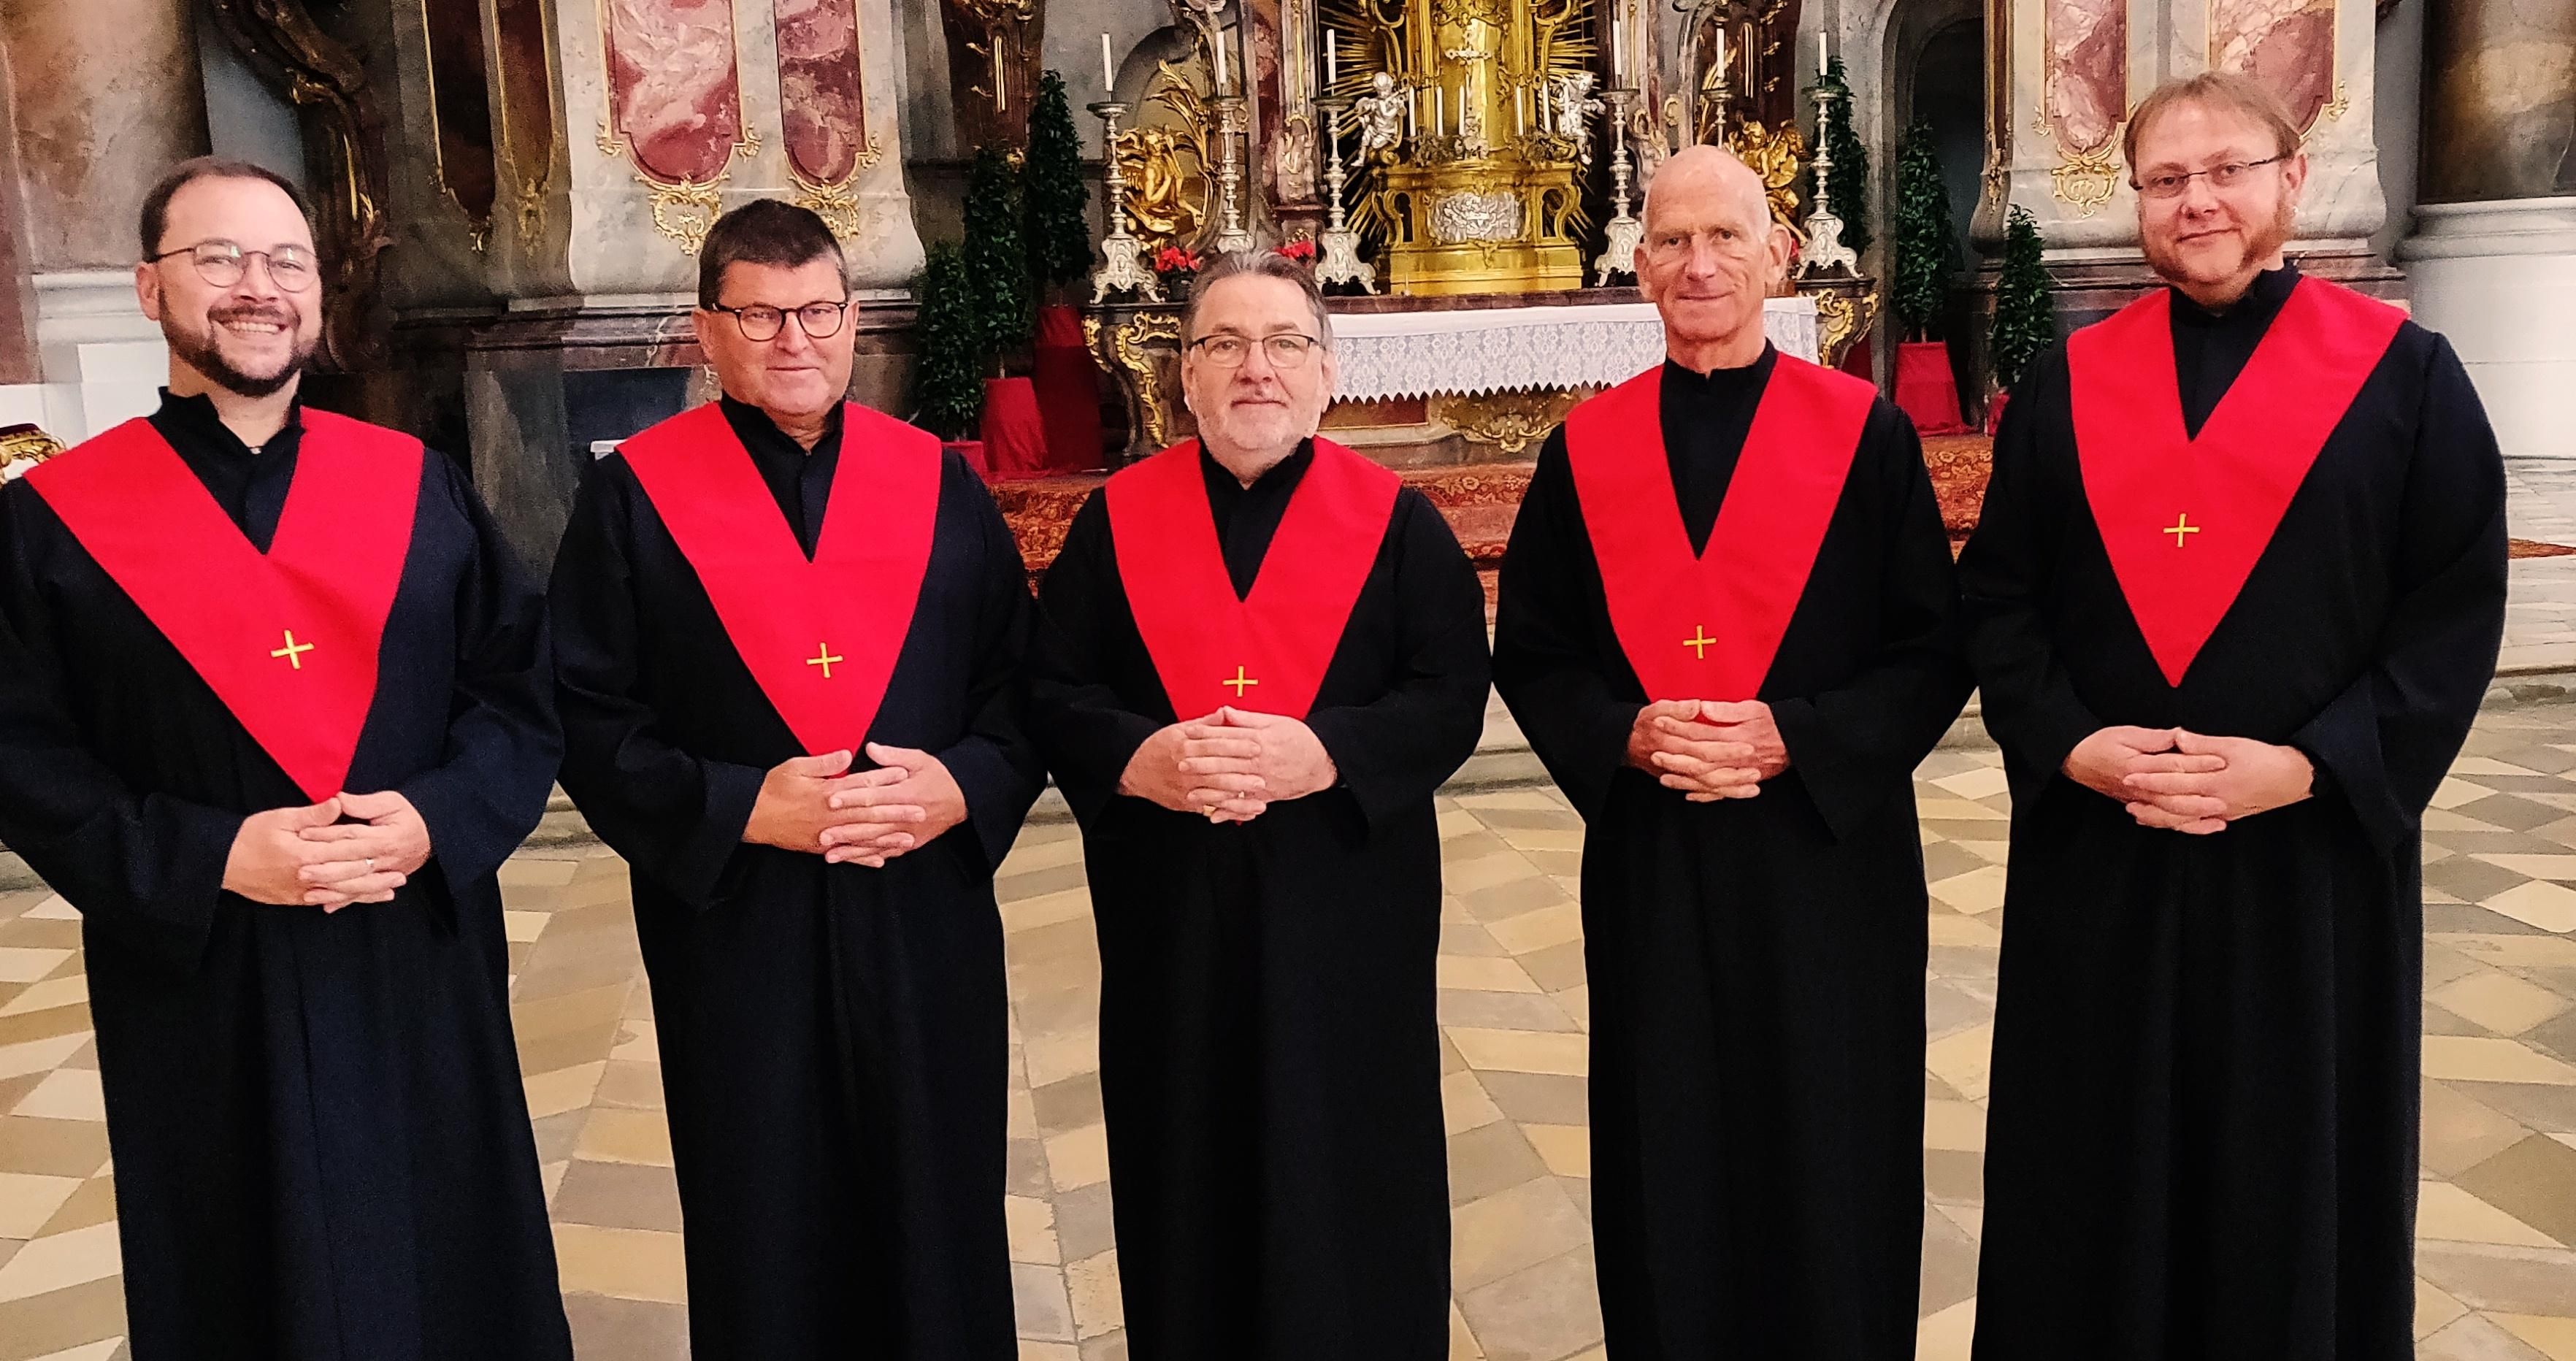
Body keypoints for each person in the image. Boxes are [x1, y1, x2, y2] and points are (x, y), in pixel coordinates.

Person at [1960, 72, 2507, 1358]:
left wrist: (2313, 767)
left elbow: (2453, 618)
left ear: (2291, 180)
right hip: (2104, 855)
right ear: (2136, 202)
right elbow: (2000, 602)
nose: (2197, 199)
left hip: (2304, 872)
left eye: (2227, 169)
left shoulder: (2408, 382)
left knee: (2289, 1163)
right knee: (2090, 1160)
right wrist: (2072, 743)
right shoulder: (2068, 387)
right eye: (2166, 178)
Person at [0, 158, 568, 1357]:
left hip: (413, 951)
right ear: (149, 289)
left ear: (319, 294)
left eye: (286, 262)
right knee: (236, 1276)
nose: (257, 288)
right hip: (205, 976)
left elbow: (516, 695)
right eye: (218, 259)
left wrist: (439, 819)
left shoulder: (422, 489)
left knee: (453, 1259)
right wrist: (210, 854)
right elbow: (20, 752)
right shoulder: (52, 524)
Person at [1492, 145, 1970, 1359]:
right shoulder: (1585, 450)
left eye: (1725, 237)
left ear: (1781, 254)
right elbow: (1537, 654)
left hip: (1828, 864)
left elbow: (1932, 648)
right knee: (1670, 1147)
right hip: (1656, 860)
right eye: (1670, 240)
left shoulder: (1863, 437)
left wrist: (1796, 737)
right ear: (1638, 263)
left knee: (1833, 1143)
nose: (1698, 264)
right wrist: (1626, 737)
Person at [548, 200, 1043, 1357]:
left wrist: (964, 786)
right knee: (763, 1201)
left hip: (923, 909)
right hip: (739, 920)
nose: (793, 339)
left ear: (853, 319)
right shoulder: (634, 500)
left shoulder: (939, 484)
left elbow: (1020, 686)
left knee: (940, 1193)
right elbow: (585, 711)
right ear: (705, 332)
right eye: (759, 315)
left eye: (816, 310)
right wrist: (736, 805)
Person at [1027, 250, 1489, 1360]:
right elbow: (1050, 689)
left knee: (1351, 1163)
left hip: (1348, 919)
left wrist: (1324, 753)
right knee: (1187, 1160)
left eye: (1284, 344)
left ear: (1328, 373)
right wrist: (1142, 760)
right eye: (1223, 344)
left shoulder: (1399, 527)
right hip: (1171, 920)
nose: (1255, 369)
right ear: (1180, 378)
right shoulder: (1113, 524)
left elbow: (1450, 698)